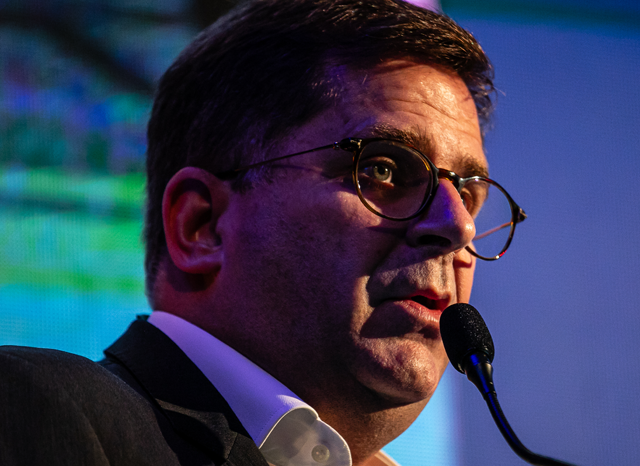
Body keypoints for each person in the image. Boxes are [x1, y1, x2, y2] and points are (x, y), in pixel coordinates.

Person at [0, 1, 526, 465]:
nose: (457, 226)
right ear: (201, 225)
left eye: (469, 196)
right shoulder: (32, 406)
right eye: (382, 170)